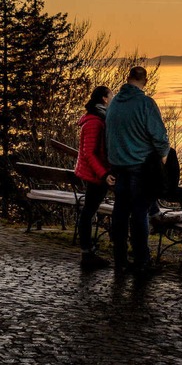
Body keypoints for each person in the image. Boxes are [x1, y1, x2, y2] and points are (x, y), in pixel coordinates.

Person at [106, 66, 170, 277]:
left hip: (118, 167)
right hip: (140, 168)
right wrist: (162, 157)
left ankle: (120, 258)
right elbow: (160, 138)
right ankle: (142, 260)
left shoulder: (114, 103)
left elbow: (109, 135)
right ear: (145, 80)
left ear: (127, 78)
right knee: (140, 213)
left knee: (121, 212)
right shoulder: (145, 104)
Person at [74, 85, 115, 270]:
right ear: (104, 99)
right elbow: (89, 154)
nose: (113, 98)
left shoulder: (98, 119)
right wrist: (104, 174)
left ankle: (88, 252)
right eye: (111, 95)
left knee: (88, 211)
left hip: (95, 174)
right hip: (95, 175)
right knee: (88, 212)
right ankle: (87, 253)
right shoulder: (94, 122)